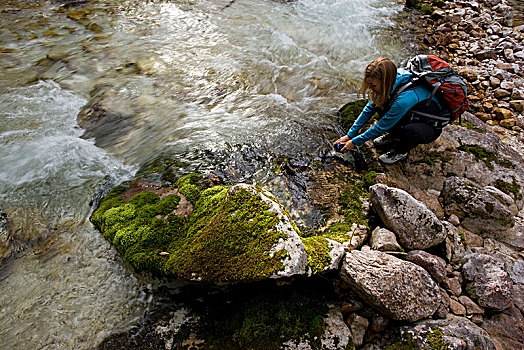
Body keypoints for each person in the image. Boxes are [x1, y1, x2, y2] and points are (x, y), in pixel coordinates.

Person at [334, 56, 446, 165]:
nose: (370, 89)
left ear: (385, 82)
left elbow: (382, 126)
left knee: (410, 131)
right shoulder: (393, 78)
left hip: (429, 126)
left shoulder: (404, 100)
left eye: (373, 85)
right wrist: (349, 135)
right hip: (409, 114)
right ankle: (394, 135)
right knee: (380, 104)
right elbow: (369, 108)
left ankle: (401, 151)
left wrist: (354, 142)